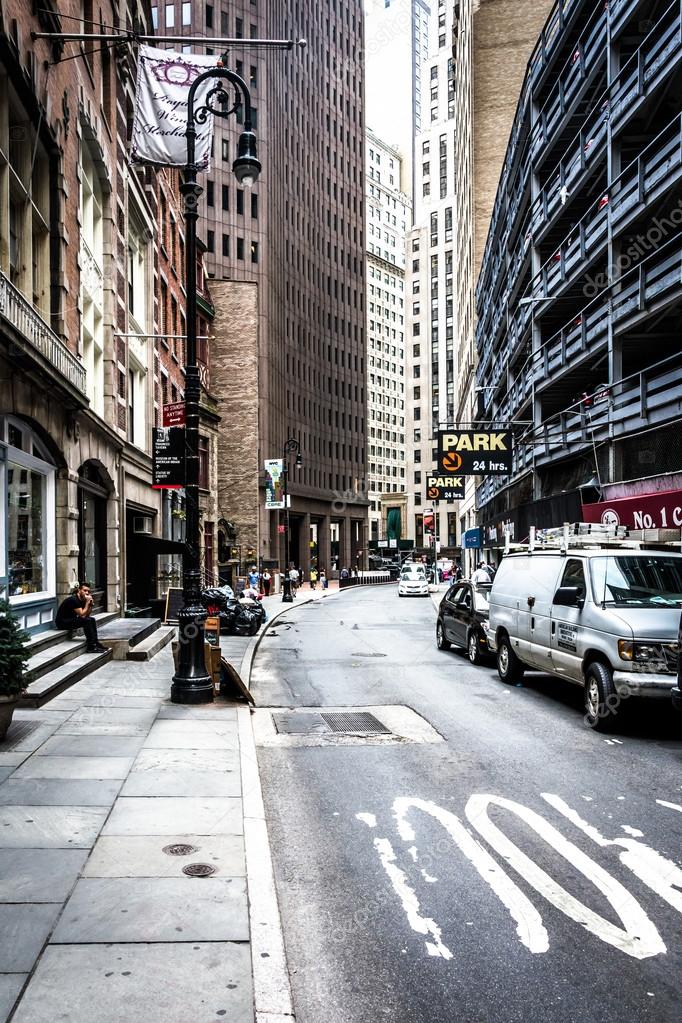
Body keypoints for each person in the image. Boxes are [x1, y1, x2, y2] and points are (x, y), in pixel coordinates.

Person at [55, 582, 106, 653]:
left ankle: (95, 642)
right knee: (87, 621)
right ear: (79, 590)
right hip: (62, 623)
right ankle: (91, 647)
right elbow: (82, 615)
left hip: (71, 620)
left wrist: (90, 605)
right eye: (85, 590)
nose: (87, 593)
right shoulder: (74, 600)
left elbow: (86, 615)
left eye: (88, 591)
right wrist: (87, 603)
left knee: (92, 619)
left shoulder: (82, 600)